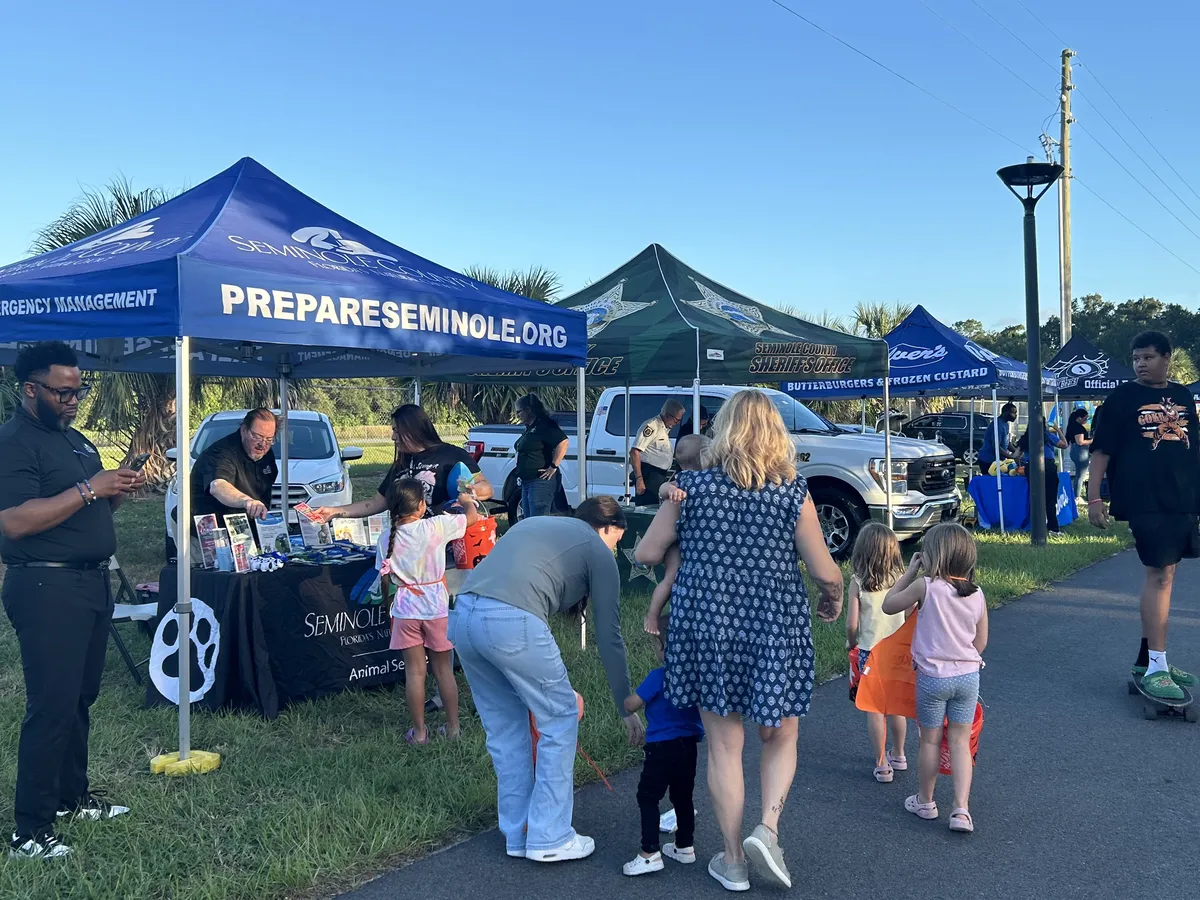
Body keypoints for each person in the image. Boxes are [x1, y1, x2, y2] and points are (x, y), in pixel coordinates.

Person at [636, 389, 843, 892]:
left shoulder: (690, 487)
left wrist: (675, 514)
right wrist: (832, 598)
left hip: (705, 625)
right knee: (781, 733)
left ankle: (732, 862)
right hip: (772, 624)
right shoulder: (793, 492)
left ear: (722, 430)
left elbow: (645, 553)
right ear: (777, 434)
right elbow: (824, 570)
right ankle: (767, 830)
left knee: (725, 747)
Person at [0, 341, 144, 860]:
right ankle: (29, 831)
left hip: (89, 583)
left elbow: (94, 499)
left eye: (78, 391)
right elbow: (14, 522)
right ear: (30, 389)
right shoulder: (14, 442)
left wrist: (116, 487)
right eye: (62, 392)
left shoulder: (77, 440)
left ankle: (70, 798)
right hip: (44, 586)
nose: (72, 400)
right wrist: (89, 489)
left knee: (81, 698)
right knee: (52, 705)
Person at [448, 497, 644, 863]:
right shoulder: (596, 549)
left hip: (464, 616)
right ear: (607, 527)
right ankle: (550, 836)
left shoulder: (535, 524)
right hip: (511, 621)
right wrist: (625, 702)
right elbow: (609, 635)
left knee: (506, 732)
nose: (615, 548)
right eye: (618, 537)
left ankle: (519, 832)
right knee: (560, 720)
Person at [315, 404, 495, 716]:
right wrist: (336, 512)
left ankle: (471, 689)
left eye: (399, 432)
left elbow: (486, 488)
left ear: (415, 429)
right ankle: (442, 696)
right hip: (416, 558)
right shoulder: (401, 463)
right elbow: (375, 502)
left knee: (454, 625)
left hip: (449, 553)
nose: (394, 438)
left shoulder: (451, 455)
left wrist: (470, 491)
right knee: (438, 634)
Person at [1089, 331, 1200, 701]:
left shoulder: (1183, 396)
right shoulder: (1122, 398)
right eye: (1136, 357)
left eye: (1148, 357)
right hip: (1144, 499)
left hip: (1181, 499)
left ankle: (1149, 660)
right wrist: (1093, 499)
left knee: (1168, 574)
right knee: (1159, 576)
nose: (1140, 363)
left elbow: (1192, 452)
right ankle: (1156, 664)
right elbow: (1101, 451)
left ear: (1167, 357)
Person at [882, 522, 988, 835]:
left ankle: (926, 801)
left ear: (933, 555)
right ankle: (961, 809)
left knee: (929, 740)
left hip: (932, 678)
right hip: (968, 677)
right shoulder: (977, 594)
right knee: (959, 741)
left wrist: (910, 572)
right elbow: (980, 642)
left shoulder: (926, 586)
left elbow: (890, 605)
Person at [380, 477, 479, 745]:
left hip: (405, 610)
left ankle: (420, 732)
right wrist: (467, 501)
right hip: (436, 608)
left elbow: (384, 570)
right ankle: (453, 728)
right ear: (422, 506)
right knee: (443, 670)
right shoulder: (436, 526)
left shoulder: (386, 536)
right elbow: (472, 518)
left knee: (414, 673)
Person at [622, 614, 705, 877]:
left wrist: (626, 700)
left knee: (648, 796)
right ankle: (684, 846)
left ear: (662, 647)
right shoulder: (696, 679)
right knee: (682, 796)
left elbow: (632, 704)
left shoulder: (659, 676)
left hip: (660, 748)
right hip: (689, 745)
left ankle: (649, 852)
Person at [845, 523, 908, 783]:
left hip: (869, 651)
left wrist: (851, 643)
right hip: (897, 651)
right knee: (896, 706)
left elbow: (851, 623)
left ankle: (882, 763)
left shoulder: (858, 581)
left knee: (874, 708)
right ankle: (900, 754)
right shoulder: (902, 579)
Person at [642, 434, 711, 636]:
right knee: (671, 577)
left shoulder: (692, 479)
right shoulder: (683, 480)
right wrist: (670, 490)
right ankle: (652, 615)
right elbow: (663, 488)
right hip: (676, 540)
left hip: (688, 538)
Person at [189, 408, 278, 550]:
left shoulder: (267, 453)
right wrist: (248, 501)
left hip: (241, 532)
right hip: (204, 530)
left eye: (269, 439)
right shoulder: (221, 452)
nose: (262, 444)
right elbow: (218, 486)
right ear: (244, 430)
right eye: (257, 437)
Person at [513, 393, 568, 519]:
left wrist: (553, 466)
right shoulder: (530, 427)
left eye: (519, 412)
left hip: (539, 481)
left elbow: (563, 442)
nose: (517, 416)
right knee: (529, 519)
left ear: (528, 410)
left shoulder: (545, 425)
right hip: (527, 481)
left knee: (538, 519)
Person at [1018, 419, 1069, 534]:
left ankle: (1034, 526)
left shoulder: (1025, 438)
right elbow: (1065, 445)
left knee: (1035, 496)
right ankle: (1053, 528)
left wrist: (1019, 465)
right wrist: (1057, 430)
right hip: (1048, 466)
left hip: (1031, 467)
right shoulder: (1048, 436)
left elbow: (1016, 455)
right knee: (1050, 499)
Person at [630, 399, 685, 506]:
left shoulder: (664, 428)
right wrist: (639, 479)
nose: (677, 423)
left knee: (655, 507)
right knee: (647, 507)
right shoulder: (652, 426)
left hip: (659, 476)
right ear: (667, 415)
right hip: (649, 474)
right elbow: (634, 452)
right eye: (676, 420)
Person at [976, 402, 1017, 472]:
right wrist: (1010, 456)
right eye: (1013, 413)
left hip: (998, 460)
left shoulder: (1006, 424)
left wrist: (1017, 452)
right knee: (992, 481)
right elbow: (996, 447)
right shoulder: (997, 425)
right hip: (988, 459)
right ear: (1005, 413)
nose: (1015, 415)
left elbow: (1007, 443)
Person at [1065, 407, 1092, 499]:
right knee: (1081, 475)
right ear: (1079, 418)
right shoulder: (1078, 428)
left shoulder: (1071, 426)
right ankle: (1077, 496)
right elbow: (1080, 442)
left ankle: (1076, 494)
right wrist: (1092, 440)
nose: (1086, 421)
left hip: (1074, 451)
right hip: (1081, 452)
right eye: (1085, 418)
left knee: (1079, 475)